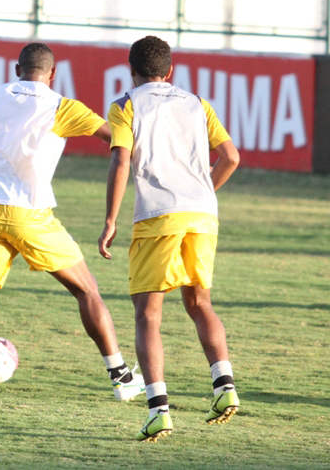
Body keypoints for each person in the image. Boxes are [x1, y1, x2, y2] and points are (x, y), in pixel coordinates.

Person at [0, 42, 144, 399]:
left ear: (16, 68)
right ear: (53, 73)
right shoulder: (62, 106)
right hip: (29, 215)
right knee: (87, 290)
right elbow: (117, 142)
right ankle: (122, 378)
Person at [97, 35, 241, 442]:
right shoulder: (197, 102)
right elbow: (231, 157)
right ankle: (225, 387)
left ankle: (159, 410)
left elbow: (121, 159)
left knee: (148, 315)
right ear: (170, 71)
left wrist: (110, 219)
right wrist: (204, 194)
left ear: (132, 70)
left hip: (158, 216)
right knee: (199, 302)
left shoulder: (126, 104)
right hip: (203, 215)